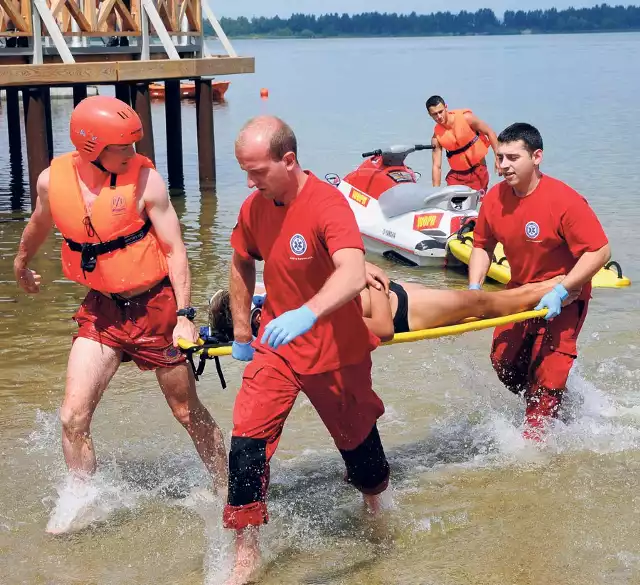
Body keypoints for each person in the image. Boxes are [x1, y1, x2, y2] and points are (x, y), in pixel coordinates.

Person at [13, 96, 228, 531]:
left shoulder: (146, 181)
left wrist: (185, 312)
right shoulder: (51, 181)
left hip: (155, 306)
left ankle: (227, 488)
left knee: (187, 412)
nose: (132, 154)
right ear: (90, 146)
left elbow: (174, 249)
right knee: (73, 417)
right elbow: (40, 221)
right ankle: (81, 500)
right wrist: (21, 261)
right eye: (122, 147)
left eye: (133, 145)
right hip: (102, 309)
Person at [225, 115, 391, 585]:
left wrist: (309, 312)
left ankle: (376, 505)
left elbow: (352, 270)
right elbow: (239, 259)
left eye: (257, 171)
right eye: (245, 172)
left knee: (358, 444)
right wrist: (241, 332)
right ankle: (246, 550)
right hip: (276, 346)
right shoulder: (255, 207)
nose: (251, 182)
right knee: (247, 441)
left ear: (289, 160)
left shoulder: (327, 205)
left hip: (335, 349)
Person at [468, 122, 610, 440]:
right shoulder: (494, 199)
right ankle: (549, 402)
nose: (503, 165)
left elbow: (600, 251)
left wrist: (561, 290)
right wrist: (475, 290)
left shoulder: (563, 200)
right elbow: (481, 246)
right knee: (502, 360)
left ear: (536, 157)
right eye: (500, 157)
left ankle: (538, 431)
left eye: (512, 158)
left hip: (565, 296)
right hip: (520, 291)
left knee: (548, 378)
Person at [208, 269, 571, 343]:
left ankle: (547, 285)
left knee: (478, 303)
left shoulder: (280, 303)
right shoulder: (308, 323)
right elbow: (381, 330)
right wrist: (373, 285)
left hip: (391, 290)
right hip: (401, 312)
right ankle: (556, 285)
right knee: (481, 303)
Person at [426, 95, 499, 193]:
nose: (439, 116)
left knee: (476, 205)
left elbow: (490, 132)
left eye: (440, 112)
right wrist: (434, 192)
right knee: (451, 205)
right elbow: (436, 166)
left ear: (446, 107)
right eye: (434, 114)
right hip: (456, 176)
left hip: (477, 171)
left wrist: (498, 158)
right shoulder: (436, 137)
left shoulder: (466, 118)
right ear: (429, 114)